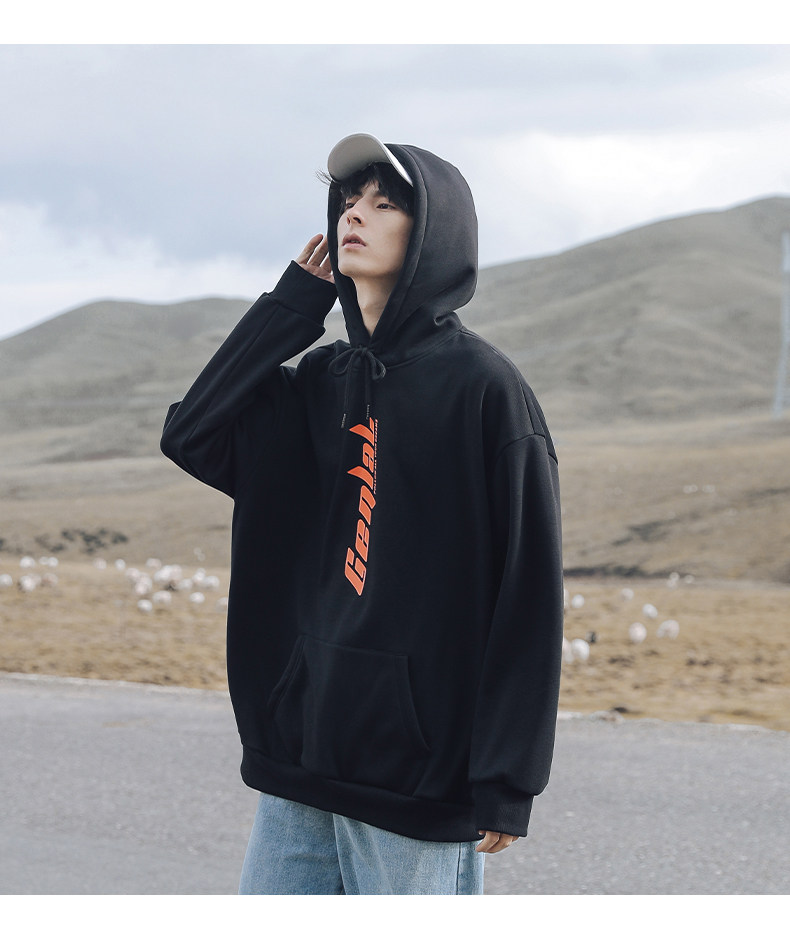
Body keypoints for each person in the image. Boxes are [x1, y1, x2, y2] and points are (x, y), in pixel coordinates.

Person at [160, 133, 564, 895]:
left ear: (434, 233)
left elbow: (529, 589)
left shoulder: (484, 390)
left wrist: (508, 777)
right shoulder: (316, 381)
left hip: (417, 778)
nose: (355, 215)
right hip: (299, 762)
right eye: (349, 201)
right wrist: (292, 308)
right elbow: (191, 433)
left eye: (384, 204)